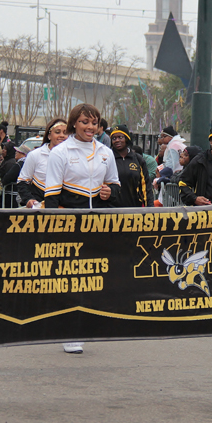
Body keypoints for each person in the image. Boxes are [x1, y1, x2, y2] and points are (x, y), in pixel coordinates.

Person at [45, 104, 120, 355]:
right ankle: (70, 329)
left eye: (94, 122)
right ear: (73, 123)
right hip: (67, 220)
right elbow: (52, 192)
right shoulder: (61, 152)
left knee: (92, 274)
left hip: (96, 222)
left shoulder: (105, 152)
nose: (90, 127)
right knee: (71, 274)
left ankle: (81, 321)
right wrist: (53, 223)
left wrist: (110, 192)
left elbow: (115, 186)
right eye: (85, 122)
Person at [17, 118, 68, 209]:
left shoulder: (74, 156)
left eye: (65, 132)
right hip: (40, 208)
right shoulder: (35, 155)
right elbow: (22, 181)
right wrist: (29, 199)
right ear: (49, 135)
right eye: (57, 132)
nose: (62, 136)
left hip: (65, 209)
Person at [110, 124, 153, 208]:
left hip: (134, 209)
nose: (117, 140)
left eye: (120, 137)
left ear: (127, 138)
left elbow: (146, 186)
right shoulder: (107, 158)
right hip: (111, 210)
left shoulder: (138, 159)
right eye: (114, 138)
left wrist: (150, 208)